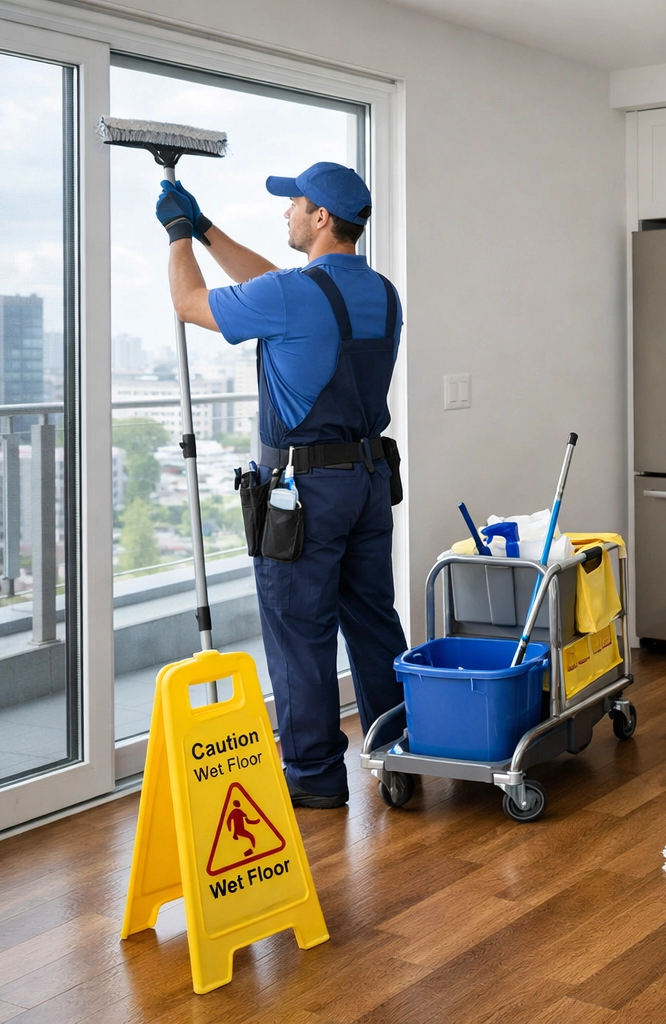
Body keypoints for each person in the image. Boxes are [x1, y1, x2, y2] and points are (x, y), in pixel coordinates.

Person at [159, 161, 409, 809]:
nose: (286, 212)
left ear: (320, 218)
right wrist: (207, 228)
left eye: (294, 204)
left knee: (301, 633)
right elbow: (275, 282)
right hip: (368, 482)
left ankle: (315, 779)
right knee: (373, 621)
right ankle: (399, 753)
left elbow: (189, 304)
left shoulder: (294, 295)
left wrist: (179, 237)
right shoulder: (380, 292)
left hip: (304, 494)